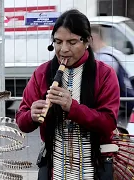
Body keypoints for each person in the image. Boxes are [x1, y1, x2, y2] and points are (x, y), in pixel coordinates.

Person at [16, 9, 120, 180]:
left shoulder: (105, 74)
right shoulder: (41, 73)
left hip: (94, 168)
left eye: (72, 42)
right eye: (58, 42)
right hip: (54, 168)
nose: (63, 49)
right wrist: (31, 116)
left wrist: (73, 107)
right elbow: (22, 121)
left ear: (87, 41)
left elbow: (108, 123)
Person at [91, 24, 134, 131]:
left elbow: (103, 85)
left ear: (94, 37)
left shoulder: (104, 58)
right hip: (125, 102)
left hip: (119, 107)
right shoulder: (113, 52)